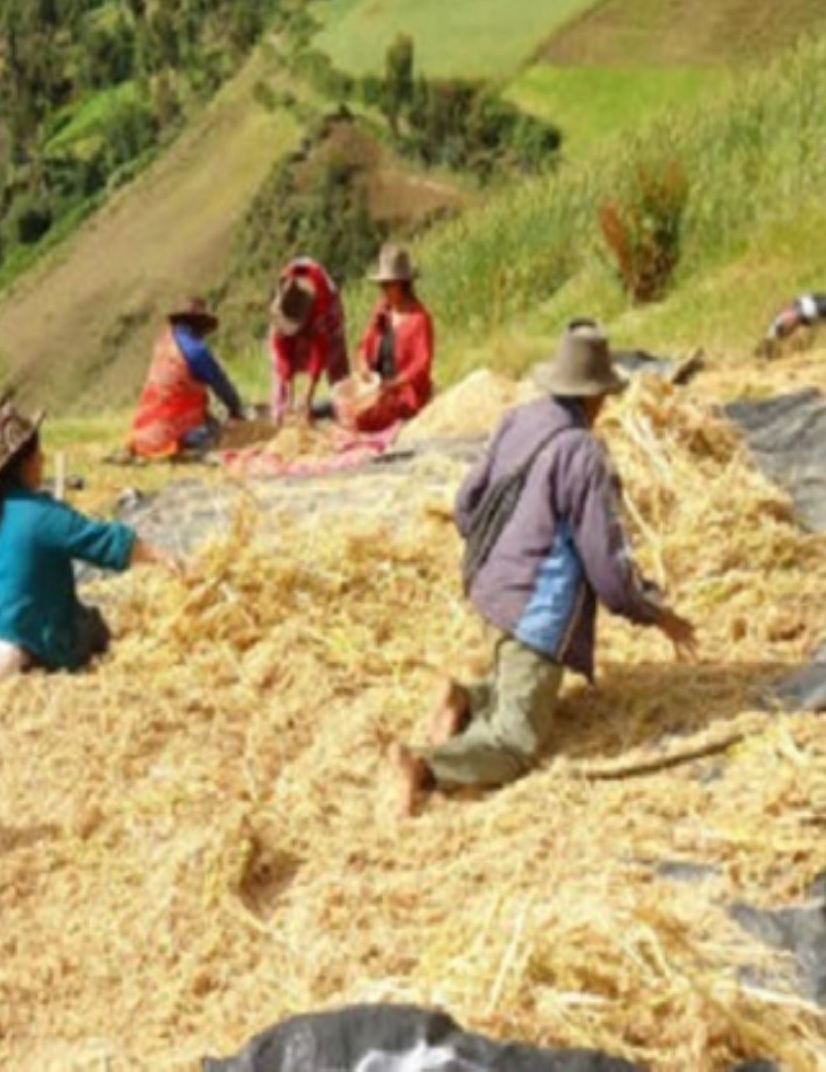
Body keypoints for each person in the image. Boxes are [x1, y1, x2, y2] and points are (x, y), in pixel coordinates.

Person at [389, 324, 698, 815]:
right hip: (531, 612)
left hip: (488, 588)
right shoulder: (584, 454)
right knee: (517, 741)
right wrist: (658, 613)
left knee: (522, 690)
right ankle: (426, 765)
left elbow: (467, 504)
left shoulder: (521, 419)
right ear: (596, 396)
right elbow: (608, 571)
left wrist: (500, 564)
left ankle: (464, 700)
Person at [0, 401, 181, 679]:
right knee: (92, 629)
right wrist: (160, 557)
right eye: (39, 455)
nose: (43, 461)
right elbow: (104, 542)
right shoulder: (44, 516)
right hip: (14, 649)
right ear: (27, 463)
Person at [128, 296, 246, 459]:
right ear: (198, 324)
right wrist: (237, 411)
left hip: (144, 432)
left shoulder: (165, 343)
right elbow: (221, 385)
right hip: (172, 434)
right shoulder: (195, 350)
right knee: (221, 434)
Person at [339, 244, 435, 433]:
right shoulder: (383, 311)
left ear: (402, 284)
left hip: (403, 394)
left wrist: (391, 385)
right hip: (377, 388)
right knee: (343, 407)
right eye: (381, 285)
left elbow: (420, 367)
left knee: (363, 418)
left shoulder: (419, 320)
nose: (383, 290)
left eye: (388, 285)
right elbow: (365, 346)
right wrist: (364, 367)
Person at [267, 257, 350, 425]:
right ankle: (281, 411)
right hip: (298, 314)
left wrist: (307, 398)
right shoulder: (285, 302)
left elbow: (319, 353)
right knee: (280, 377)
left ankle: (345, 406)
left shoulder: (320, 305)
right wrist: (290, 397)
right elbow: (282, 353)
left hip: (326, 316)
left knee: (336, 362)